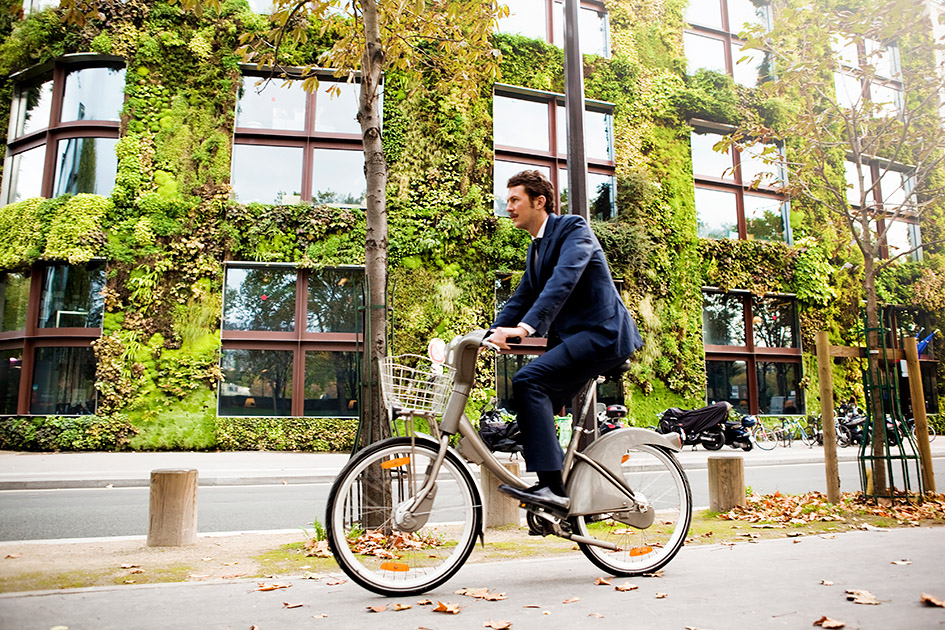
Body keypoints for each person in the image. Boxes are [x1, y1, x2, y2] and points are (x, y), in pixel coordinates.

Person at [487, 170, 643, 513]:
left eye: (515, 200)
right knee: (528, 407)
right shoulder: (536, 249)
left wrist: (525, 329)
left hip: (603, 335)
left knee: (529, 380)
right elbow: (522, 296)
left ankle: (553, 489)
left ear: (539, 201)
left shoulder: (573, 228)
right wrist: (488, 333)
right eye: (508, 200)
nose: (508, 206)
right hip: (577, 339)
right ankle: (564, 496)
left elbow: (563, 280)